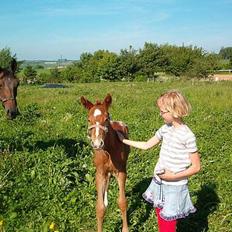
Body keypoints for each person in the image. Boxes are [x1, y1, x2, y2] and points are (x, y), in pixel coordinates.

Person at [118, 90, 201, 232]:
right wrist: (123, 140)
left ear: (174, 112)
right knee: (160, 213)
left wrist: (172, 177)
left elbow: (196, 167)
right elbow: (146, 145)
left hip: (174, 185)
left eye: (162, 111)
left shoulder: (188, 136)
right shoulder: (165, 128)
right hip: (159, 181)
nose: (160, 114)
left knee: (168, 222)